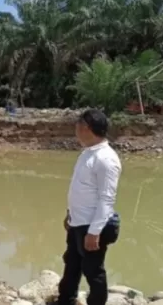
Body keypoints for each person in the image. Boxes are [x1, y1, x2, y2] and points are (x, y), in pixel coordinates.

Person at [54, 109, 121, 305]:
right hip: (78, 221)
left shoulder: (106, 159)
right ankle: (66, 299)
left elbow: (106, 199)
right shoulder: (87, 153)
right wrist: (70, 214)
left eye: (77, 125)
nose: (75, 130)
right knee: (72, 264)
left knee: (93, 270)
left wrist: (94, 232)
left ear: (86, 128)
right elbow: (81, 190)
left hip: (92, 226)